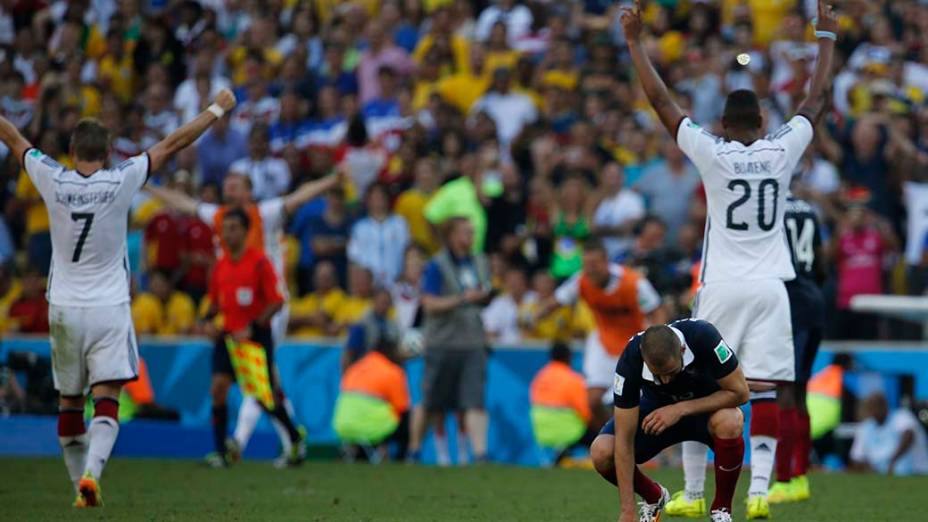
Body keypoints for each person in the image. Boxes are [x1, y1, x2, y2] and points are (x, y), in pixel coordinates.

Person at [620, 1, 838, 517]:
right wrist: (825, 35)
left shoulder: (711, 152)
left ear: (722, 121)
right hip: (770, 287)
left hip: (719, 285)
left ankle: (693, 496)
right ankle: (759, 493)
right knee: (761, 389)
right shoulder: (782, 150)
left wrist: (635, 42)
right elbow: (818, 96)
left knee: (701, 384)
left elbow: (659, 100)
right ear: (763, 122)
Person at [0, 86, 236, 506]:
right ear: (109, 152)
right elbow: (173, 142)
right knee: (107, 396)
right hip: (109, 306)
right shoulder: (122, 178)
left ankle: (79, 487)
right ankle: (94, 471)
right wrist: (217, 107)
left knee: (69, 399)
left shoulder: (51, 177)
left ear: (72, 149)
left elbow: (15, 139)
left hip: (64, 308)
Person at [146, 165, 341, 467]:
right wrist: (146, 184)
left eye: (236, 184)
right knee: (261, 384)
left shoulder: (266, 212)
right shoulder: (220, 217)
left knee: (256, 381)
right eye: (227, 184)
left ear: (250, 191)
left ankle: (237, 442)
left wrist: (330, 179)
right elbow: (181, 202)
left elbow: (299, 197)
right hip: (232, 312)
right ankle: (290, 441)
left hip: (267, 309)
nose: (229, 189)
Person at [590, 321, 749, 522]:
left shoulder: (703, 336)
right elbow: (624, 438)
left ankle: (721, 510)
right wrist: (627, 511)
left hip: (705, 413)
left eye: (671, 372)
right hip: (656, 416)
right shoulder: (631, 358)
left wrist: (680, 409)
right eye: (658, 375)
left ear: (682, 351)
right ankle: (653, 496)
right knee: (602, 451)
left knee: (731, 421)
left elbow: (741, 393)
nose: (666, 381)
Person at [199, 208, 303, 468]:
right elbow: (214, 304)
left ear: (246, 232)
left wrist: (254, 326)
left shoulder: (259, 262)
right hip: (228, 337)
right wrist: (205, 322)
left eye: (233, 228)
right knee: (218, 389)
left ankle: (294, 437)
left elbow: (277, 301)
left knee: (263, 398)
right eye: (225, 228)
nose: (228, 234)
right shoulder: (221, 266)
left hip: (255, 338)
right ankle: (221, 452)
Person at [539, 239, 665, 429]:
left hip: (634, 345)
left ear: (606, 261)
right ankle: (608, 440)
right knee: (593, 401)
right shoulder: (581, 281)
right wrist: (537, 314)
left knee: (634, 401)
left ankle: (640, 444)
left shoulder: (633, 283)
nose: (590, 270)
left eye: (594, 265)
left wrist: (657, 344)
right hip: (603, 342)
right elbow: (557, 300)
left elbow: (657, 311)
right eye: (586, 265)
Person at [410, 216, 493, 464]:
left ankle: (480, 454)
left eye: (472, 232)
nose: (470, 237)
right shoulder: (437, 265)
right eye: (465, 232)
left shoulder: (480, 261)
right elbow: (429, 303)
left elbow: (482, 293)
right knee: (431, 400)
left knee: (474, 399)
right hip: (442, 342)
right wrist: (462, 299)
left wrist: (485, 297)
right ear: (452, 235)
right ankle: (414, 449)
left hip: (472, 341)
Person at [768, 193, 826, 504]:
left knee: (785, 390)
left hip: (788, 304)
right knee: (799, 390)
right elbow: (821, 261)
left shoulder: (768, 208)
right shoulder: (808, 208)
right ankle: (800, 476)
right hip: (814, 301)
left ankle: (784, 479)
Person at [332, 338, 411, 462]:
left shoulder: (355, 367)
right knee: (408, 420)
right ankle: (402, 459)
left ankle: (358, 453)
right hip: (372, 428)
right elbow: (401, 407)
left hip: (342, 425)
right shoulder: (393, 371)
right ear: (389, 353)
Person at [529, 342, 591, 463]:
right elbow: (586, 412)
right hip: (569, 432)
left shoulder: (539, 377)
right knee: (600, 434)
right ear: (569, 357)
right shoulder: (572, 379)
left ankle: (561, 454)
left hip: (541, 432)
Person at [850, 393, 928, 476]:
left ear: (885, 405)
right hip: (881, 474)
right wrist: (870, 467)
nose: (875, 410)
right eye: (872, 407)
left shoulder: (901, 416)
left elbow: (909, 435)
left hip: (915, 472)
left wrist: (893, 460)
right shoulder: (865, 428)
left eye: (878, 405)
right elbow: (856, 457)